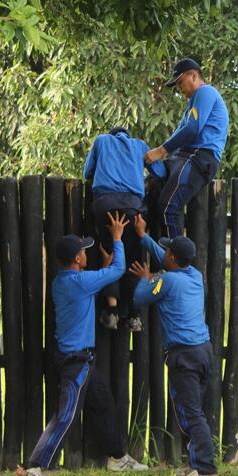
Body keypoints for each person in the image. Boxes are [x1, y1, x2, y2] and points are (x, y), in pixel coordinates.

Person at [22, 213, 148, 476]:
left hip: (83, 360)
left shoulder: (65, 282)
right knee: (66, 414)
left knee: (103, 404)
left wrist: (102, 267)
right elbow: (116, 271)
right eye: (83, 252)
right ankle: (35, 465)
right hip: (75, 361)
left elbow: (94, 281)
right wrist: (117, 239)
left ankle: (117, 457)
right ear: (77, 259)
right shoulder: (79, 283)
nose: (86, 254)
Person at [129, 215, 216, 476]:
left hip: (184, 356)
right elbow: (166, 261)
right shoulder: (193, 275)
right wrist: (144, 237)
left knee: (191, 411)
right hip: (203, 351)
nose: (164, 252)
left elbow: (139, 297)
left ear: (172, 259)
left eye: (167, 250)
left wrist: (146, 278)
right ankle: (195, 464)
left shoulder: (166, 282)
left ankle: (205, 469)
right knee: (191, 409)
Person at [83, 126, 166, 331]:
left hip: (105, 207)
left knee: (109, 255)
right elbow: (160, 172)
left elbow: (87, 173)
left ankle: (111, 311)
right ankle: (134, 316)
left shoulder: (102, 141)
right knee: (133, 260)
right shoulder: (139, 146)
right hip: (133, 208)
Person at [145, 58, 229, 237]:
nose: (179, 88)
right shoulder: (191, 106)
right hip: (182, 157)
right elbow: (181, 136)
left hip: (199, 157)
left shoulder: (205, 92)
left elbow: (192, 130)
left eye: (180, 82)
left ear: (194, 75)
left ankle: (178, 263)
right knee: (151, 195)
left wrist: (160, 151)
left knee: (168, 208)